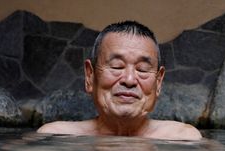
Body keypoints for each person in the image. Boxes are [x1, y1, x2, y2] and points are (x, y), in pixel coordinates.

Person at [37, 21, 202, 141]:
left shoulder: (184, 139)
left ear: (158, 82)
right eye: (116, 67)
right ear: (90, 76)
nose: (129, 80)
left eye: (142, 69)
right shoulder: (55, 137)